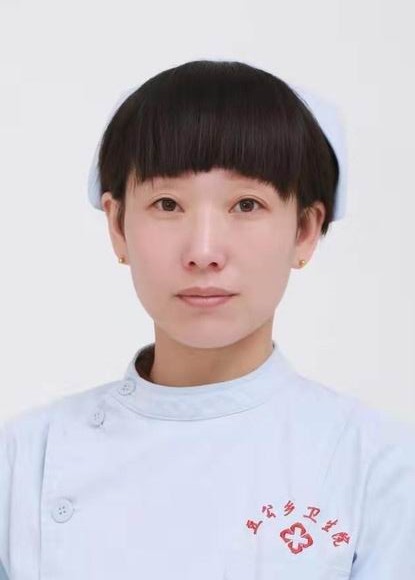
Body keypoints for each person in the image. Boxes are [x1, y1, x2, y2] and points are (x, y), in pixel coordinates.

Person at [1, 59, 414, 579]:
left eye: (247, 205)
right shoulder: (24, 460)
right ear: (118, 226)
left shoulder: (381, 467)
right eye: (167, 204)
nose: (203, 251)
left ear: (305, 231)